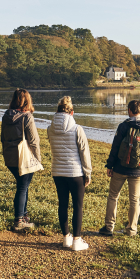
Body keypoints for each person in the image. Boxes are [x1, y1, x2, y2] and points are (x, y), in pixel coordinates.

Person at [100, 99, 140, 237]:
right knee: (134, 200)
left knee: (113, 196)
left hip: (120, 168)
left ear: (129, 110)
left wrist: (110, 165)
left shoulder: (123, 126)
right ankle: (131, 230)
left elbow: (115, 147)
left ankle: (109, 227)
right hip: (139, 170)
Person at [46, 96, 92, 251]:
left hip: (58, 172)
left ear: (57, 111)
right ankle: (77, 241)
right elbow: (84, 153)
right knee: (78, 206)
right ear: (72, 112)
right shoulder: (77, 129)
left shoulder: (50, 129)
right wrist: (88, 173)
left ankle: (66, 238)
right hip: (75, 173)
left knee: (63, 204)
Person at [0, 88, 42, 231]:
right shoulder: (27, 117)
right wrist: (38, 159)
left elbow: (2, 138)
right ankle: (19, 220)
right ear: (27, 101)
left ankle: (23, 215)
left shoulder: (6, 116)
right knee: (22, 187)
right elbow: (34, 141)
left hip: (10, 157)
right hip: (23, 157)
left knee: (22, 185)